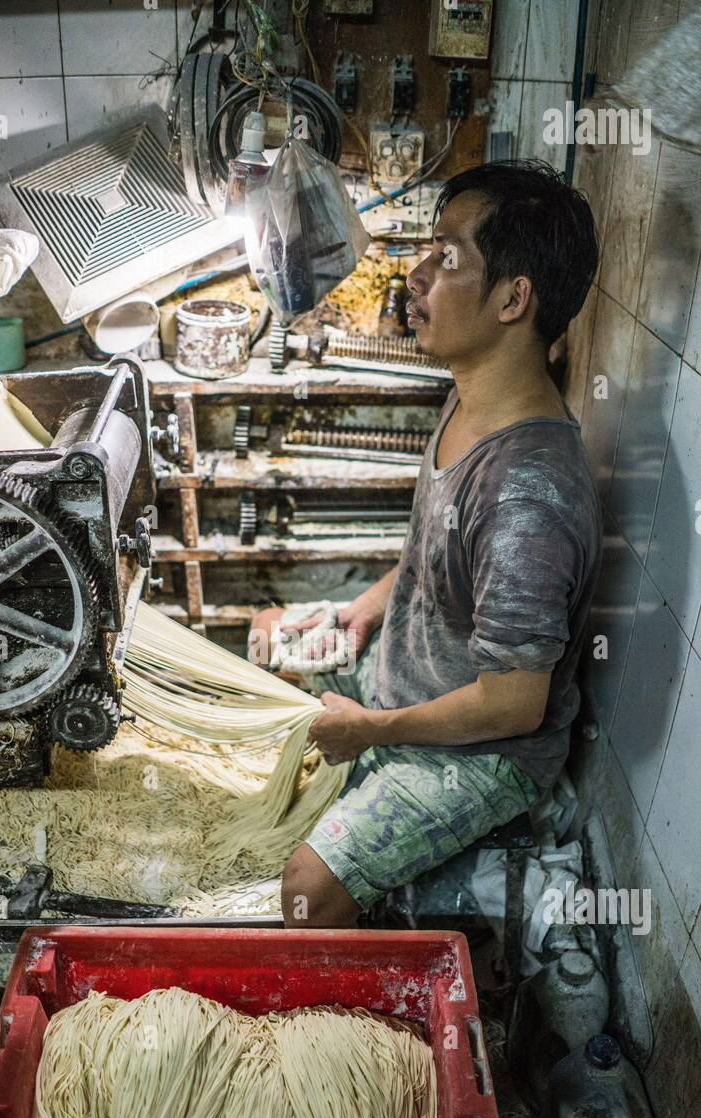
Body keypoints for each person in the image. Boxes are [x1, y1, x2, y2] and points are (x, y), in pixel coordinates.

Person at [249, 160, 602, 928]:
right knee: (265, 636)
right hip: (410, 685)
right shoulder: (471, 395)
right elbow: (432, 552)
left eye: (447, 257)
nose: (414, 276)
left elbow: (513, 703)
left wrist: (373, 731)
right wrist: (367, 608)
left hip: (482, 751)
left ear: (513, 298)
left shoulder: (525, 498)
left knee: (306, 891)